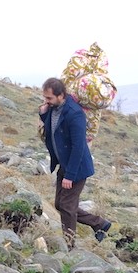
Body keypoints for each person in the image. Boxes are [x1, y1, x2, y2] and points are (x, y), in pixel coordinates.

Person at [39, 77, 111, 247]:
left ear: (61, 95)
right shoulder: (53, 108)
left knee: (67, 206)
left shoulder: (75, 113)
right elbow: (51, 127)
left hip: (76, 167)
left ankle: (69, 245)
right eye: (45, 97)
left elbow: (79, 146)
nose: (46, 101)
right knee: (60, 204)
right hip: (64, 164)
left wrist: (70, 176)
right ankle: (100, 224)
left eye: (49, 98)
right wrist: (42, 113)